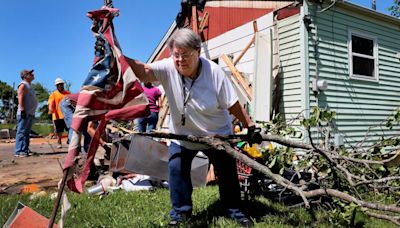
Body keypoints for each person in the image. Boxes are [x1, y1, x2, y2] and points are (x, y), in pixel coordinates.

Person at [122, 28, 262, 226]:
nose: (180, 60)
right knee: (176, 168)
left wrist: (250, 125)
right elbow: (144, 72)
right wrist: (118, 55)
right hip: (183, 135)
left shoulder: (214, 73)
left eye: (185, 55)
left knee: (227, 172)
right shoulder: (169, 67)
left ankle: (234, 210)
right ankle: (180, 213)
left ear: (198, 52)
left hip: (216, 134)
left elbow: (232, 104)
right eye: (176, 55)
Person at [15, 69, 38, 157]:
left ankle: (25, 149)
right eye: (30, 74)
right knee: (21, 132)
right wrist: (22, 110)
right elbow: (20, 97)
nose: (32, 74)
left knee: (27, 133)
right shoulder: (23, 85)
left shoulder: (30, 85)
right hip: (24, 113)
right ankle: (19, 151)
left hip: (30, 113)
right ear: (25, 76)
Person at [48, 77, 70, 148]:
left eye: (61, 84)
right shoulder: (54, 94)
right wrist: (50, 109)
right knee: (59, 131)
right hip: (57, 115)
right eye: (58, 85)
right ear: (56, 86)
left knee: (70, 129)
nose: (60, 85)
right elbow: (50, 103)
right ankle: (59, 142)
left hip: (67, 115)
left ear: (63, 84)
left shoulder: (68, 93)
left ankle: (70, 140)